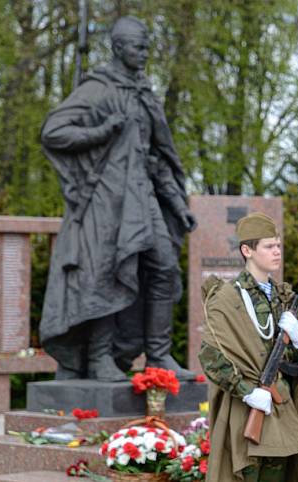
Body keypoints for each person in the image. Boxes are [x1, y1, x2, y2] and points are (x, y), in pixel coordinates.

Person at [39, 16, 197, 381]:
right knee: (106, 274)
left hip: (143, 197)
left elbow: (157, 156)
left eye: (146, 48)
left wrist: (176, 203)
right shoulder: (98, 89)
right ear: (118, 47)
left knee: (164, 267)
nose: (144, 54)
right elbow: (54, 132)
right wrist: (101, 130)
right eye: (137, 48)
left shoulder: (144, 93)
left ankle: (158, 356)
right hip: (106, 199)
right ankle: (98, 358)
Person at [199, 213, 298, 482]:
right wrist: (248, 392)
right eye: (268, 246)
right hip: (246, 408)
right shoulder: (227, 298)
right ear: (247, 250)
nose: (277, 252)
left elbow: (294, 366)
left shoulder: (282, 296)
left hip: (282, 410)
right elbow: (210, 355)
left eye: (278, 245)